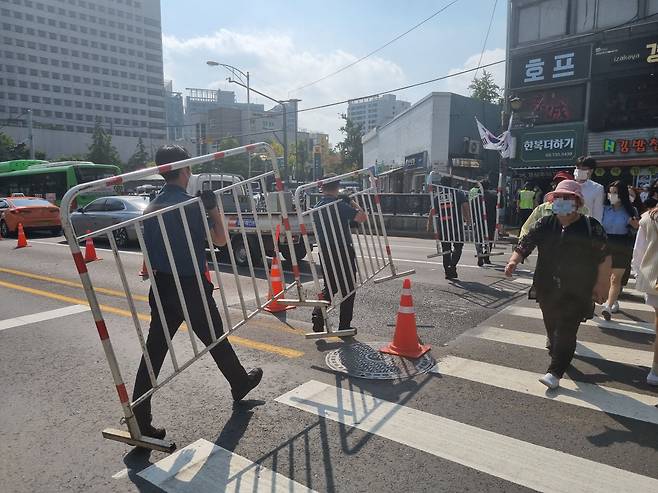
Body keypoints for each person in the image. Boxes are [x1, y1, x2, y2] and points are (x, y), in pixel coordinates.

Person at [132, 145, 262, 439]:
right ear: (186, 168)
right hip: (189, 286)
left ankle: (139, 413)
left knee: (155, 350)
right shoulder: (188, 205)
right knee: (214, 337)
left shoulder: (150, 207)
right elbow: (220, 240)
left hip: (162, 286)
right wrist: (213, 208)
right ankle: (240, 381)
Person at [505, 180, 611, 390]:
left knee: (566, 328)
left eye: (567, 198)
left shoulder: (591, 226)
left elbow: (605, 256)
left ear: (577, 202)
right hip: (547, 285)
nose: (561, 202)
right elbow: (526, 243)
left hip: (578, 288)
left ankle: (555, 371)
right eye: (558, 198)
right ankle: (559, 352)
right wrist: (513, 261)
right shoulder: (545, 223)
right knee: (552, 324)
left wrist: (602, 285)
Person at [311, 175, 367, 333]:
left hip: (325, 250)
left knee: (330, 286)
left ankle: (318, 315)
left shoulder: (318, 206)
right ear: (337, 187)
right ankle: (344, 325)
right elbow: (362, 217)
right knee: (348, 288)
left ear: (322, 188)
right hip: (342, 249)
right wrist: (350, 201)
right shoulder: (340, 205)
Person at [600, 180, 640, 320]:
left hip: (622, 244)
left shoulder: (631, 210)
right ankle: (613, 299)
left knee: (615, 278)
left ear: (622, 194)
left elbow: (638, 230)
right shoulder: (604, 209)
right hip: (605, 243)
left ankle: (608, 307)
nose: (612, 195)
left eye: (615, 193)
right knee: (605, 276)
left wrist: (635, 224)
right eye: (610, 192)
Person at [631, 206, 658, 385]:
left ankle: (655, 369)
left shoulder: (648, 218)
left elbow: (639, 251)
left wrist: (638, 272)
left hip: (654, 276)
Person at [519, 171, 589, 240]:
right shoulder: (542, 209)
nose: (561, 185)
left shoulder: (583, 210)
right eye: (557, 183)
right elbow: (526, 230)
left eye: (564, 182)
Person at [427, 176, 471, 279]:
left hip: (443, 227)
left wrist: (429, 224)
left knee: (446, 249)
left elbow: (432, 212)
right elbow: (465, 206)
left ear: (441, 184)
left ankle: (448, 272)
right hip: (456, 226)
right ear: (451, 183)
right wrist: (468, 219)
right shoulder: (458, 193)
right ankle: (452, 265)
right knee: (458, 246)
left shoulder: (438, 197)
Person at [573, 155, 604, 222]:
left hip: (586, 226)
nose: (579, 171)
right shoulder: (567, 185)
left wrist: (596, 229)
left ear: (591, 171)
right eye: (578, 168)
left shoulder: (597, 188)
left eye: (583, 169)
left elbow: (597, 213)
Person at [474, 179, 498, 266]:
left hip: (479, 218)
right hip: (491, 218)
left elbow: (473, 207)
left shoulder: (477, 195)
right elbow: (501, 204)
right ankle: (486, 256)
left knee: (478, 238)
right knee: (489, 238)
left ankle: (480, 254)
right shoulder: (494, 194)